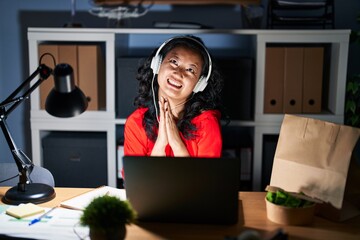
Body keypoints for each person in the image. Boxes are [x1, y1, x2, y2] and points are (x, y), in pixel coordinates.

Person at [123, 35, 224, 169]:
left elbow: (205, 183)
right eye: (174, 62)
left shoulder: (207, 124)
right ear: (157, 65)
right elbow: (136, 183)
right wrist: (161, 144)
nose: (178, 73)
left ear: (199, 84)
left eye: (190, 70)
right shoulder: (136, 122)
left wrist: (176, 143)